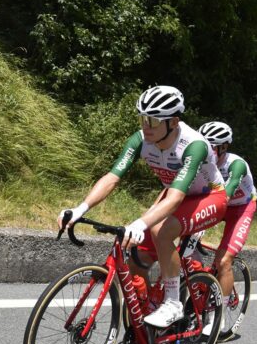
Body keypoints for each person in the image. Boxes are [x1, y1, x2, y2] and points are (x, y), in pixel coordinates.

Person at [58, 85, 227, 328]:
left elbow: (176, 198)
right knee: (136, 258)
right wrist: (80, 209)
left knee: (161, 231)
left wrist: (139, 223)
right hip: (174, 193)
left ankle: (173, 304)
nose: (146, 125)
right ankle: (148, 312)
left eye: (153, 120)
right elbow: (112, 177)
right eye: (143, 118)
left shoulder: (194, 145)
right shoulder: (141, 139)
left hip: (209, 197)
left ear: (174, 122)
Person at [196, 121, 257, 335]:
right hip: (218, 206)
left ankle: (217, 314)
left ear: (224, 147)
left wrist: (203, 222)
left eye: (213, 147)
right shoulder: (202, 162)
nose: (209, 152)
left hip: (241, 209)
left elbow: (226, 195)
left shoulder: (236, 164)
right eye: (206, 146)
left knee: (223, 260)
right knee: (186, 243)